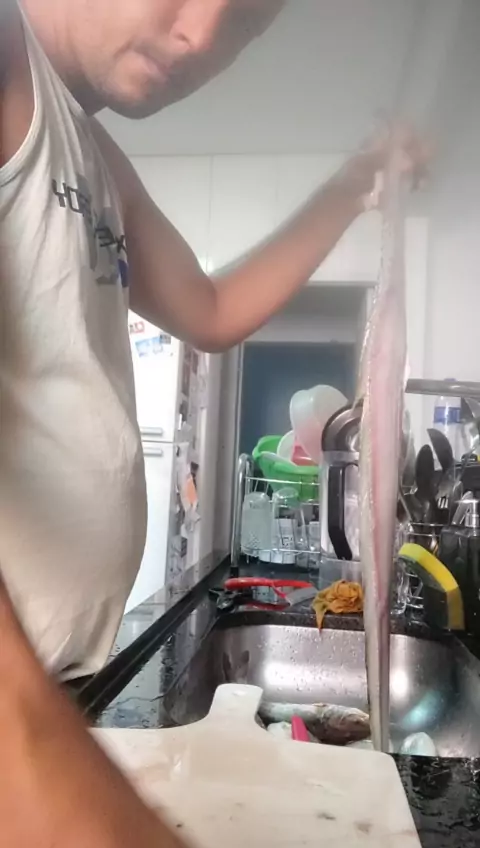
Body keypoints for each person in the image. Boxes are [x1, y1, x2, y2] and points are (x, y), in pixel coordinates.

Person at [0, 0, 426, 844]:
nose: (202, 35)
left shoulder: (95, 155)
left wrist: (357, 182)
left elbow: (211, 307)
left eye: (245, 21)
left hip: (61, 685)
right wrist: (27, 742)